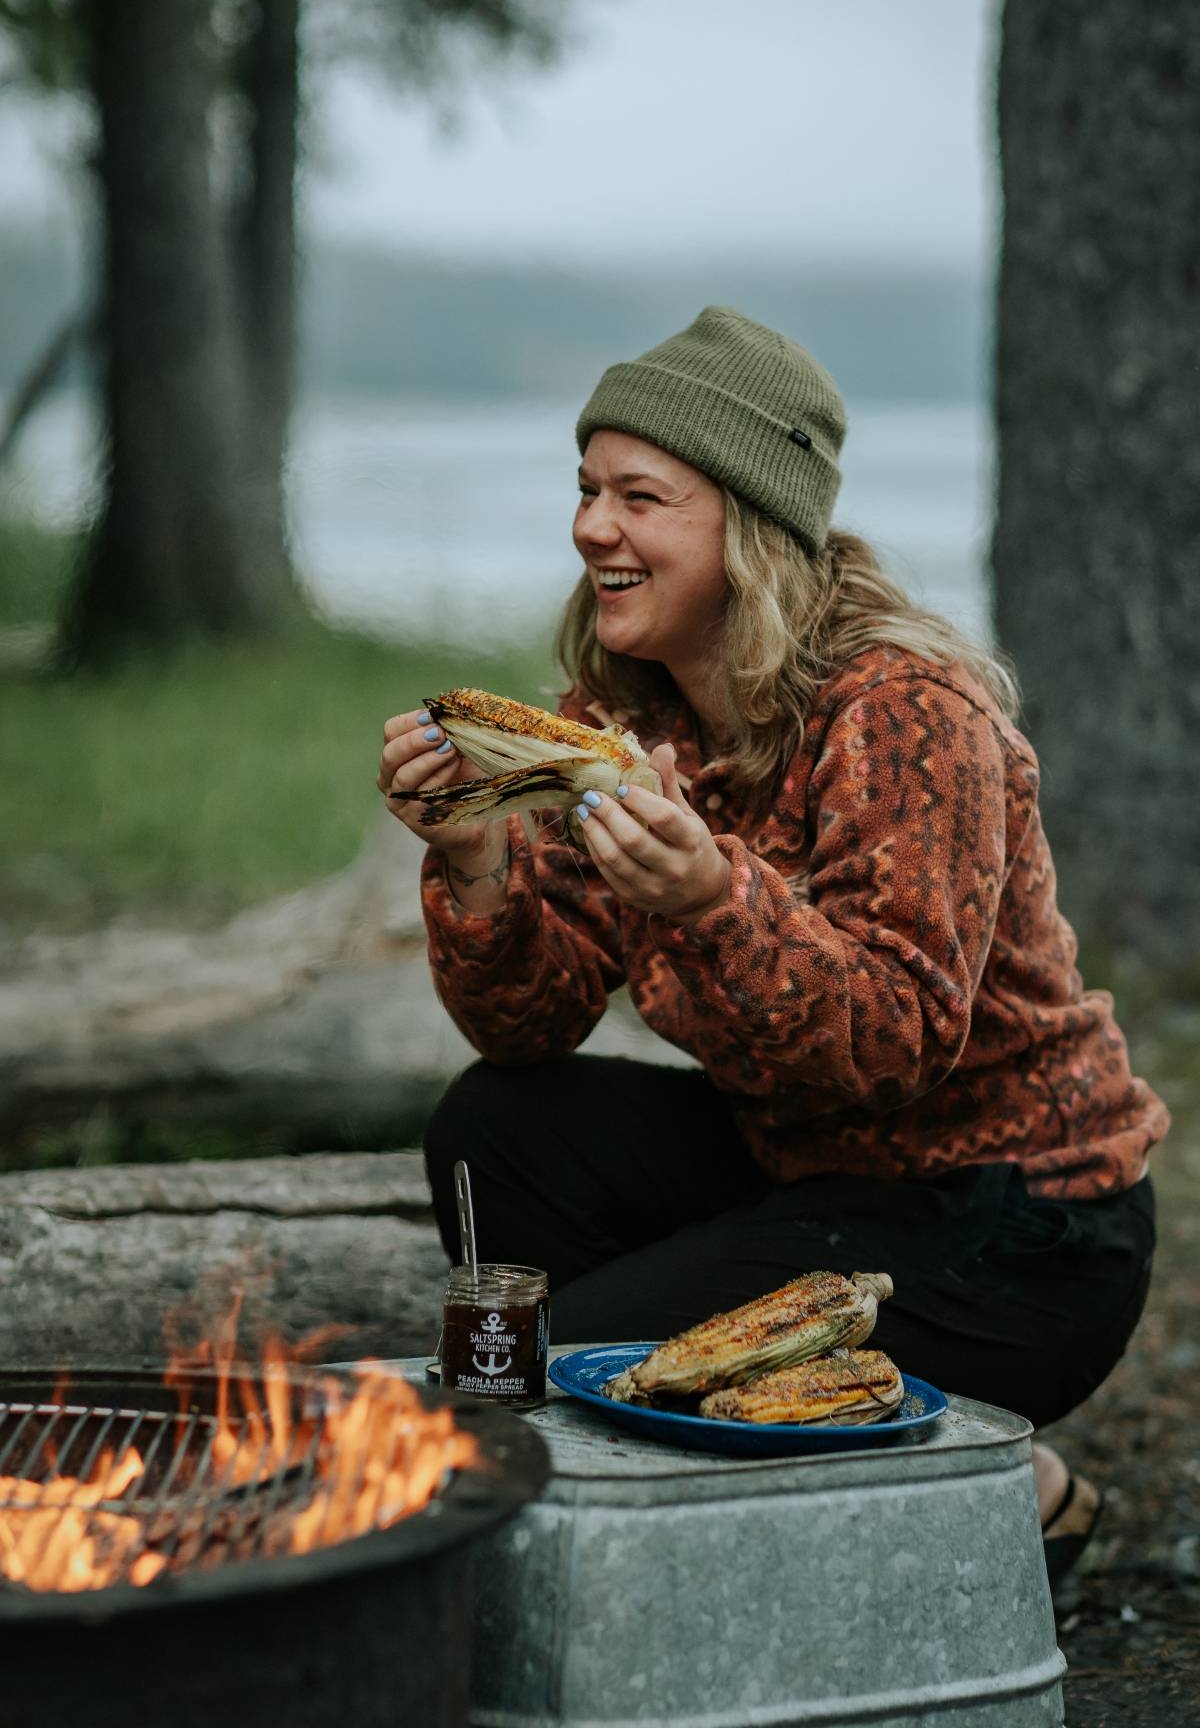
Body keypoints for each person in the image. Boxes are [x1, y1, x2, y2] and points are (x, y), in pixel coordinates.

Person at [378, 306, 1168, 1583]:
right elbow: (526, 1025)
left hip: (1019, 1227)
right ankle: (770, 1462)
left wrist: (713, 900)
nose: (592, 529)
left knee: (576, 1359)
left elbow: (896, 1044)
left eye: (642, 497)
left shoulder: (907, 711)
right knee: (496, 1126)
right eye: (587, 490)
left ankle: (985, 1481)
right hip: (806, 1175)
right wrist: (474, 861)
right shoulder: (627, 714)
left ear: (747, 524)